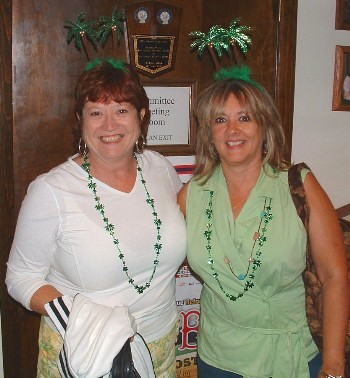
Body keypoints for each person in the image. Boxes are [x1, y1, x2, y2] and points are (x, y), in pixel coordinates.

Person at [6, 57, 187, 377]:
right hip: (86, 354)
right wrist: (79, 317)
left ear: (141, 116)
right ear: (80, 120)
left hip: (159, 348)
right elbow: (20, 277)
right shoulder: (51, 190)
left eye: (121, 110)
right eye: (96, 112)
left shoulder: (160, 168)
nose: (109, 125)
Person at [177, 69, 349, 378]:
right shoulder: (190, 196)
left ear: (264, 126)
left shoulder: (300, 185)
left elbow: (334, 275)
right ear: (208, 132)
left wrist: (334, 365)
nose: (232, 130)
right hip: (219, 359)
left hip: (293, 357)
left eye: (244, 118)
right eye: (220, 120)